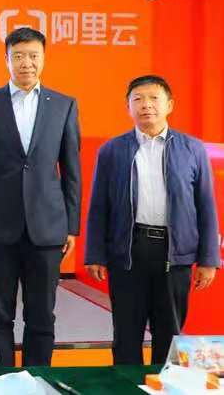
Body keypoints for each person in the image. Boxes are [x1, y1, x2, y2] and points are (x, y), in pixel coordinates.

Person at [0, 27, 81, 367]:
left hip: (47, 227)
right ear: (6, 59)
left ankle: (38, 380)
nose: (26, 63)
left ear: (43, 58)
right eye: (18, 56)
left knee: (42, 314)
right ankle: (0, 381)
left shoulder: (64, 105)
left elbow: (72, 171)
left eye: (33, 56)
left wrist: (71, 226)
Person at [85, 75, 219, 365]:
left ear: (169, 105)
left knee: (170, 333)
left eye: (154, 98)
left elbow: (206, 206)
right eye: (138, 99)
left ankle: (166, 383)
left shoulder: (192, 149)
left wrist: (208, 259)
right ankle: (126, 384)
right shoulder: (112, 150)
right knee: (126, 333)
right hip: (128, 252)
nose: (146, 105)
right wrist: (94, 254)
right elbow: (98, 207)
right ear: (128, 107)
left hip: (174, 254)